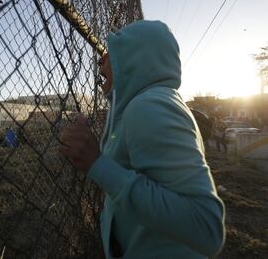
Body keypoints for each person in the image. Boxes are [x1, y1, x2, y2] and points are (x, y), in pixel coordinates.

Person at [59, 20, 225, 258]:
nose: (100, 59)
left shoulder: (150, 105)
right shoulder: (144, 105)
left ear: (136, 58)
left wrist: (96, 163)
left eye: (112, 51)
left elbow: (206, 228)